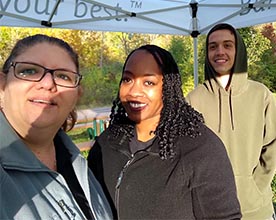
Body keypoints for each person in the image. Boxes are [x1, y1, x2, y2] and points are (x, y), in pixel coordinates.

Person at [87, 44, 241, 219]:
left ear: (168, 88)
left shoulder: (200, 148)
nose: (134, 91)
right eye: (127, 79)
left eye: (148, 82)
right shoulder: (107, 144)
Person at [0, 34, 113, 220]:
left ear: (77, 95)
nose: (47, 84)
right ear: (2, 85)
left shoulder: (79, 163)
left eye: (63, 76)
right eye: (29, 71)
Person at [186, 23, 276, 219]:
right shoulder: (192, 100)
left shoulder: (261, 95)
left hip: (257, 211)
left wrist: (256, 187)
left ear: (238, 50)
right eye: (213, 46)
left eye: (228, 45)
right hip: (211, 212)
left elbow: (273, 146)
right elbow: (187, 158)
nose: (220, 51)